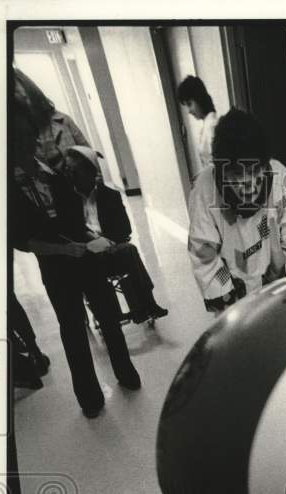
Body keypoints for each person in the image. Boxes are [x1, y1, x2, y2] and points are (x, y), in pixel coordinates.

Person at [10, 112, 141, 417]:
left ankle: (125, 372)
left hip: (87, 257)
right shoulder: (11, 188)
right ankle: (90, 398)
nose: (37, 143)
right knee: (72, 331)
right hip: (56, 267)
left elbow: (78, 211)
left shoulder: (55, 172)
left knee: (109, 316)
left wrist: (95, 237)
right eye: (27, 139)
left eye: (35, 137)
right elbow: (24, 242)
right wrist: (72, 249)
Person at [187, 109, 286, 316]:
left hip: (276, 280)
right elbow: (205, 256)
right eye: (238, 174)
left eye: (256, 171)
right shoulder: (204, 190)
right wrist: (228, 304)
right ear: (222, 171)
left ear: (265, 165)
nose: (249, 185)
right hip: (234, 284)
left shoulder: (280, 176)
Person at [64, 145, 169, 324]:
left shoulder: (109, 195)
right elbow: (70, 231)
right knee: (128, 252)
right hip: (86, 255)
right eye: (69, 171)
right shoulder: (68, 200)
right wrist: (93, 241)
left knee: (127, 250)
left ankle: (141, 307)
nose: (71, 176)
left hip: (111, 248)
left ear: (90, 171)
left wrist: (107, 241)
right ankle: (145, 305)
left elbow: (124, 228)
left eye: (75, 171)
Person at [13, 67, 91, 174]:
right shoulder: (19, 136)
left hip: (81, 186)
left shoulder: (62, 120)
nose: (21, 97)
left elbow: (89, 157)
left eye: (20, 92)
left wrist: (96, 186)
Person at [177, 75, 218, 170]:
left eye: (190, 104)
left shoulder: (212, 126)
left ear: (199, 98)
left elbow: (218, 165)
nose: (189, 111)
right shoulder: (207, 125)